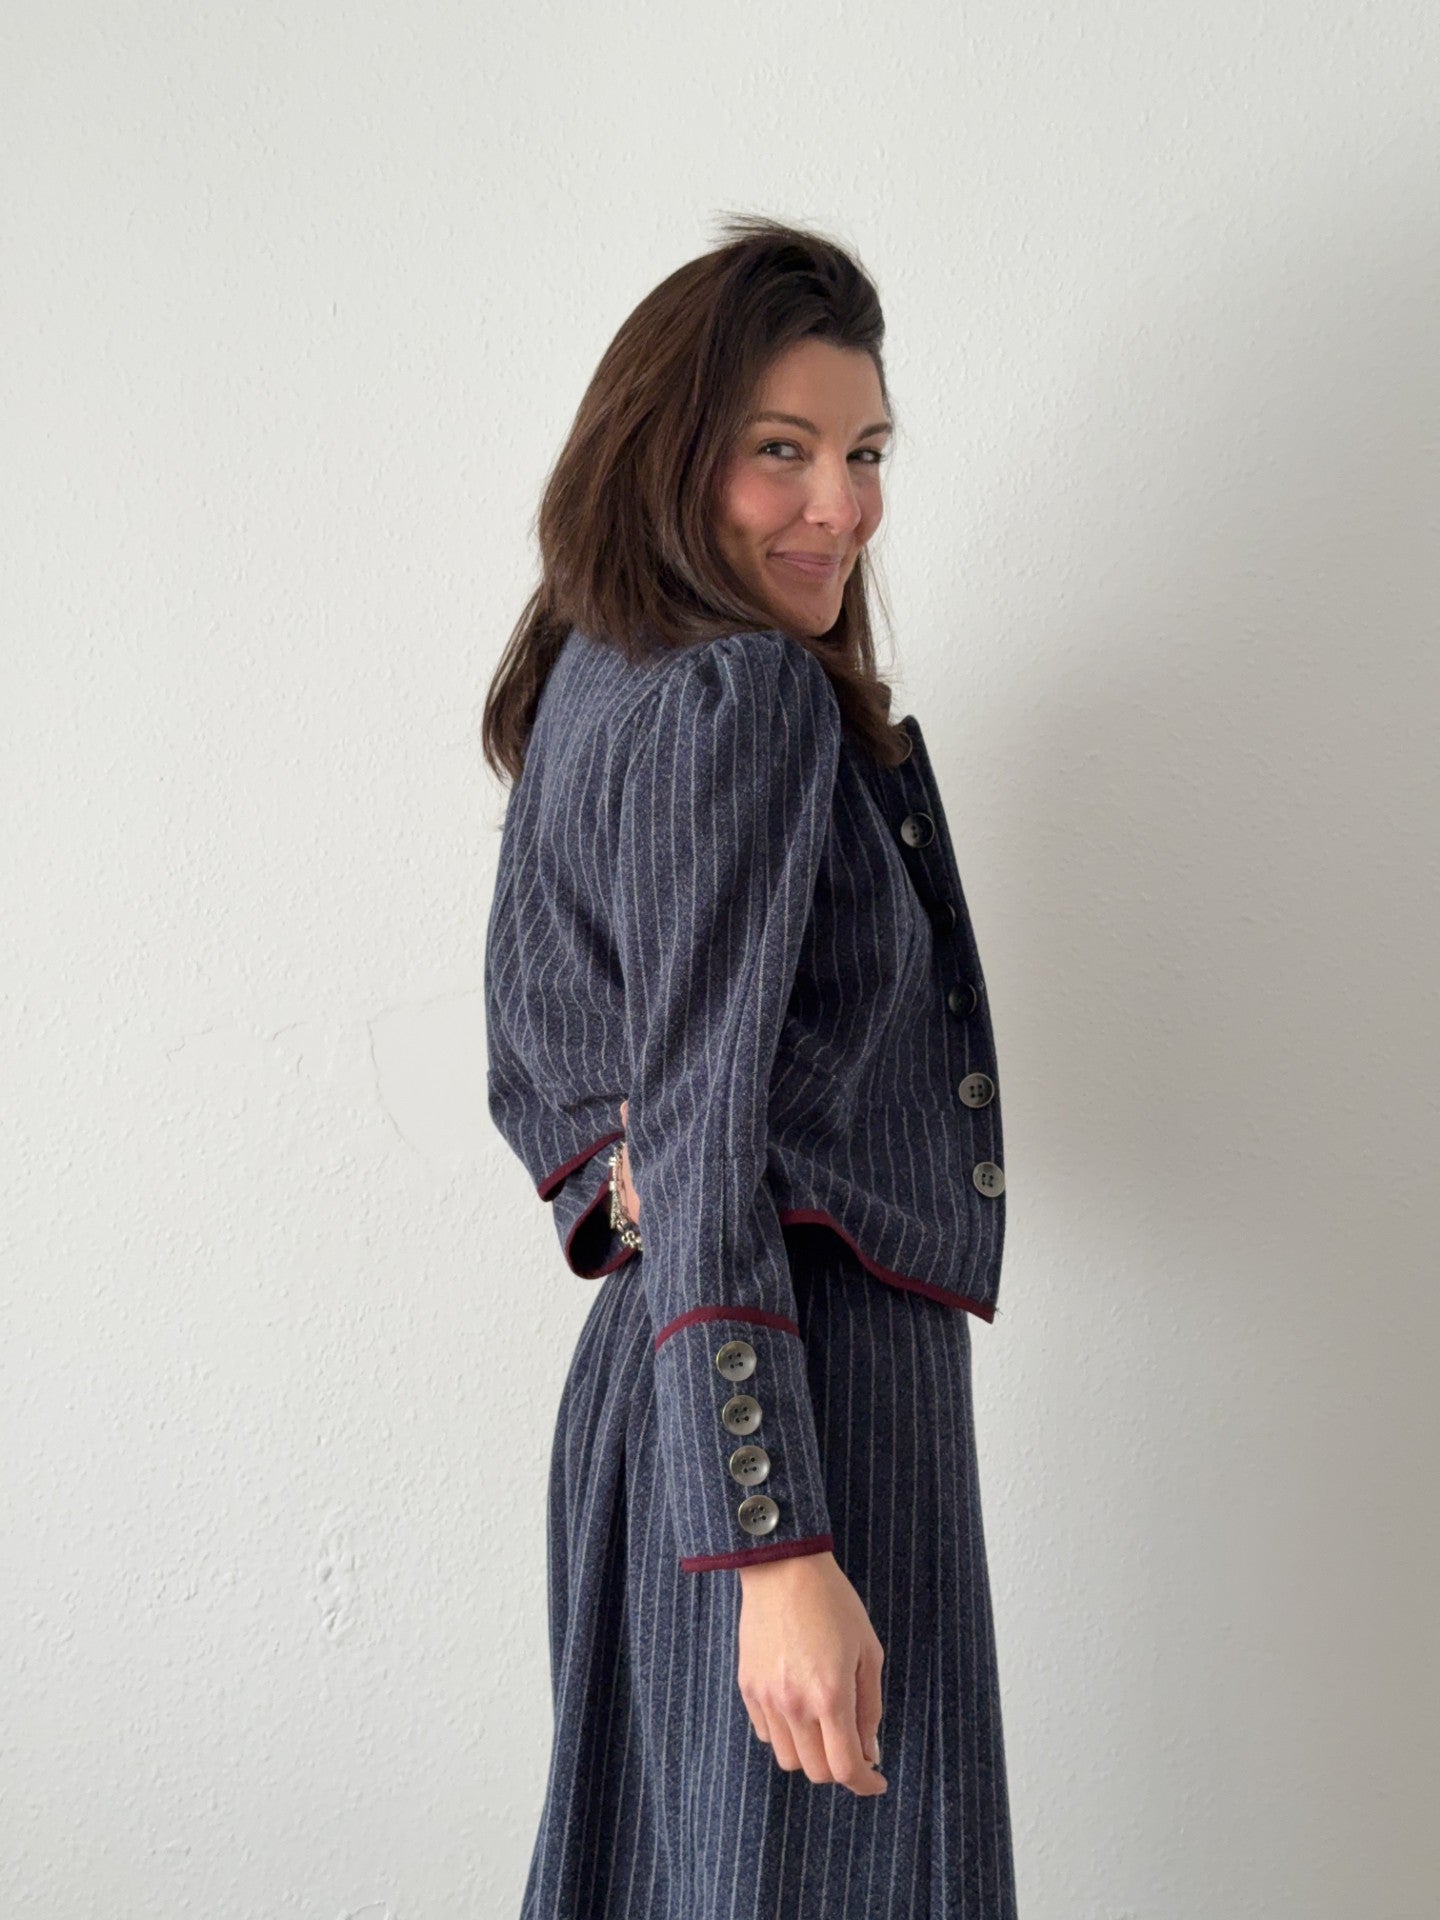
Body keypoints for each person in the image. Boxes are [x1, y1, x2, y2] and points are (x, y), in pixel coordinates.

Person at [483, 215, 1018, 1918]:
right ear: (670, 452)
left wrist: (640, 1189)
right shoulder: (743, 698)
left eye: (865, 454)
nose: (839, 508)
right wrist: (777, 1542)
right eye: (780, 451)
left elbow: (577, 1097)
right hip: (800, 1402)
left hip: (672, 1390)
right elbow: (701, 1134)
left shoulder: (595, 676)